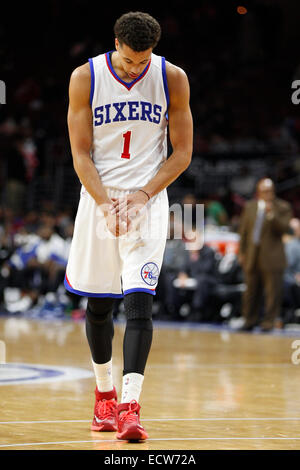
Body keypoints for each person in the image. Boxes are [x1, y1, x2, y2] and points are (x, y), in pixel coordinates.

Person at [64, 11, 193, 441]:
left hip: (147, 200)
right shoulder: (86, 77)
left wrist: (141, 197)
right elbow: (80, 154)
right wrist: (105, 204)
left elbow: (182, 153)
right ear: (115, 43)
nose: (138, 67)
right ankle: (104, 395)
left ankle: (130, 408)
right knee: (99, 306)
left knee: (140, 304)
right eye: (131, 59)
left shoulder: (173, 76)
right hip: (99, 197)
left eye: (145, 60)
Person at [238, 178, 292, 332]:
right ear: (258, 191)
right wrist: (241, 252)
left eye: (269, 191)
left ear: (273, 191)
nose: (266, 194)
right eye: (263, 191)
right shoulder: (250, 206)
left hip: (272, 258)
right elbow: (243, 232)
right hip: (251, 255)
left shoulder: (282, 207)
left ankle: (268, 322)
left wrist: (271, 215)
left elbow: (284, 229)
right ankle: (249, 320)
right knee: (250, 292)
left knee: (272, 293)